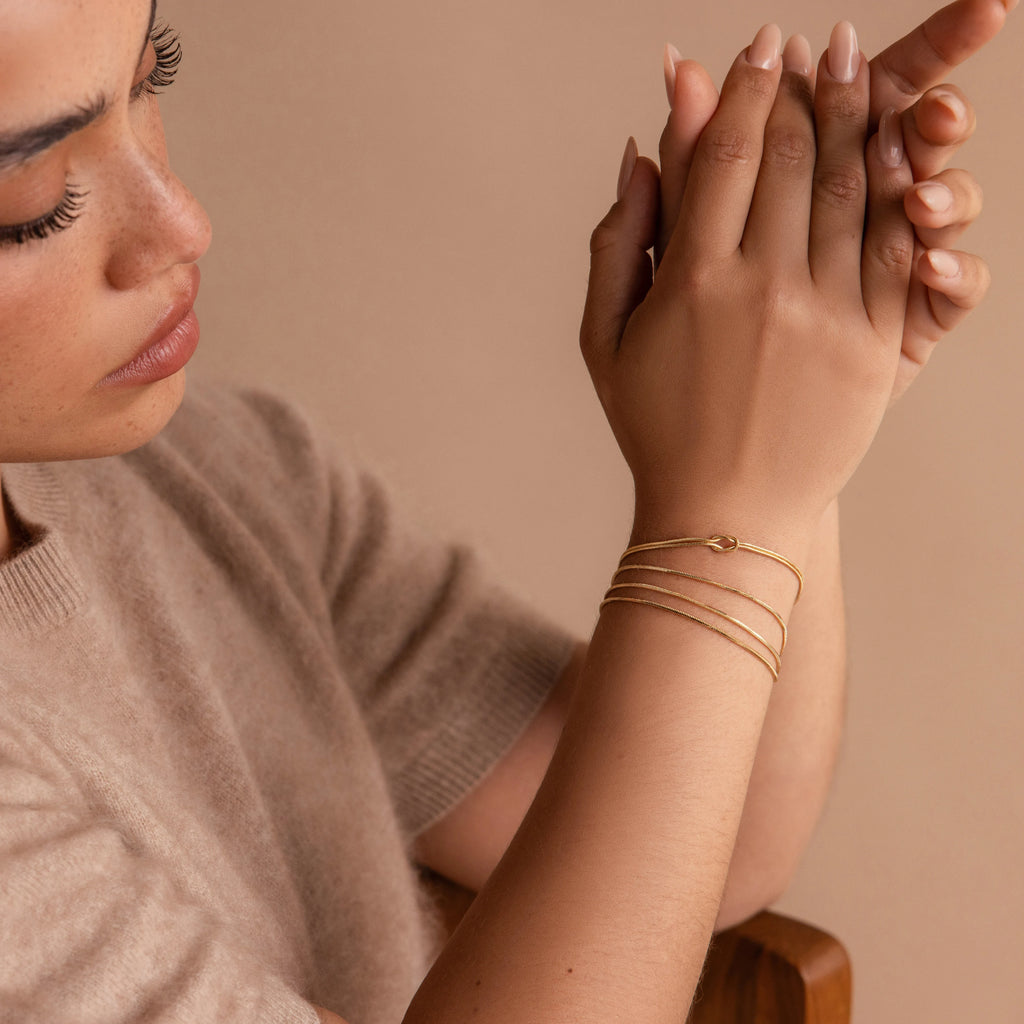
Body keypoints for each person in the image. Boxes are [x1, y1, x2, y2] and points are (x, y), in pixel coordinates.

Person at [0, 1, 1007, 1022]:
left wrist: (782, 373)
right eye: (32, 198)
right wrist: (725, 521)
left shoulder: (219, 476)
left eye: (148, 78)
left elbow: (724, 834)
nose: (181, 222)